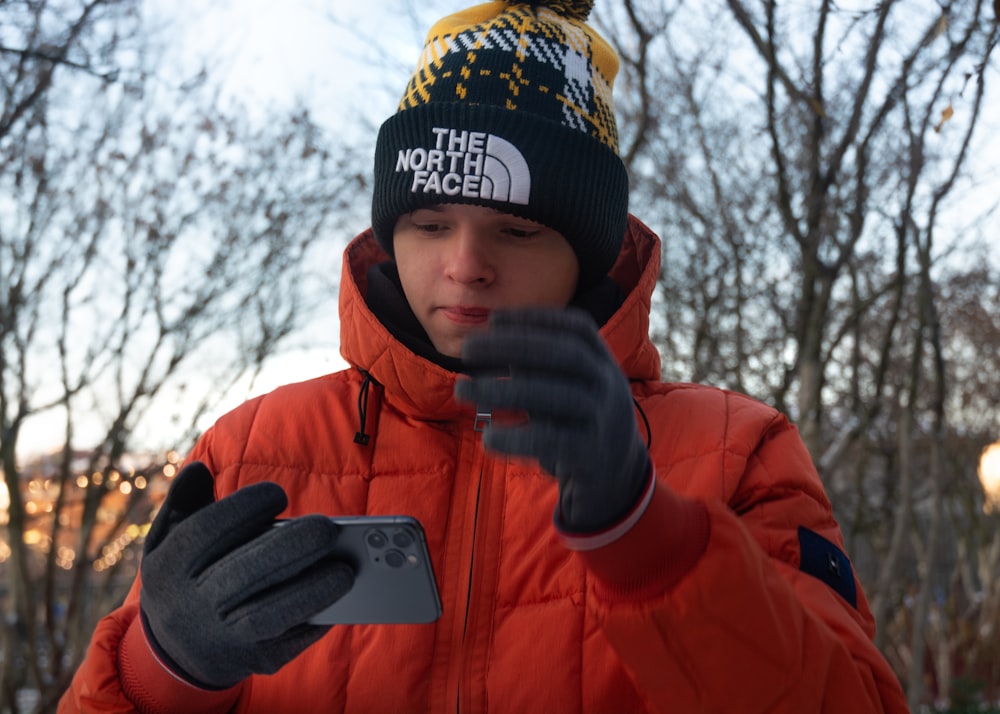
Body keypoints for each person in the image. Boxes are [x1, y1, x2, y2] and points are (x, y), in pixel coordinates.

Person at [60, 1, 911, 712]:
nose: (465, 263)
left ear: (590, 250)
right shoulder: (251, 448)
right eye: (430, 224)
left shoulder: (736, 449)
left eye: (517, 229)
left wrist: (649, 536)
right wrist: (164, 666)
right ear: (391, 234)